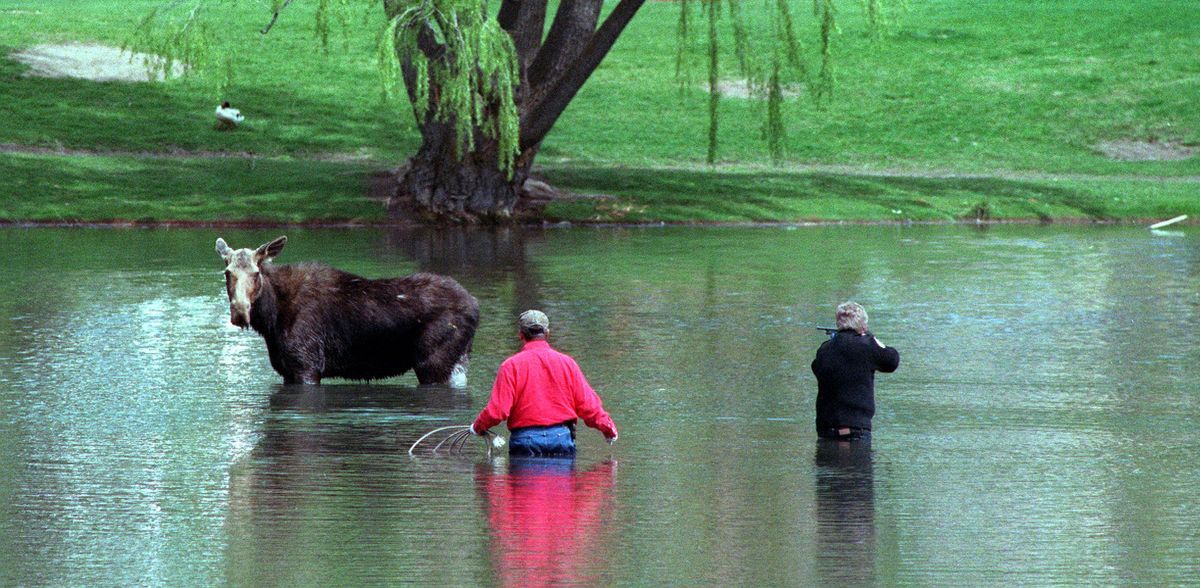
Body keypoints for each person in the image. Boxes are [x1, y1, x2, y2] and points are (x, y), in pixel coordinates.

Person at [472, 310, 618, 456]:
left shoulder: (510, 366)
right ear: (547, 333)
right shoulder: (568, 364)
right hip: (562, 439)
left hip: (525, 441)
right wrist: (608, 428)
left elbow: (498, 411)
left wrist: (477, 427)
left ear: (521, 335)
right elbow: (588, 405)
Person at [811, 301, 900, 441]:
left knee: (827, 462)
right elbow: (892, 361)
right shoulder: (867, 345)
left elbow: (816, 368)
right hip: (856, 428)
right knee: (857, 463)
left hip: (826, 429)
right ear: (863, 325)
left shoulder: (824, 349)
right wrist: (872, 338)